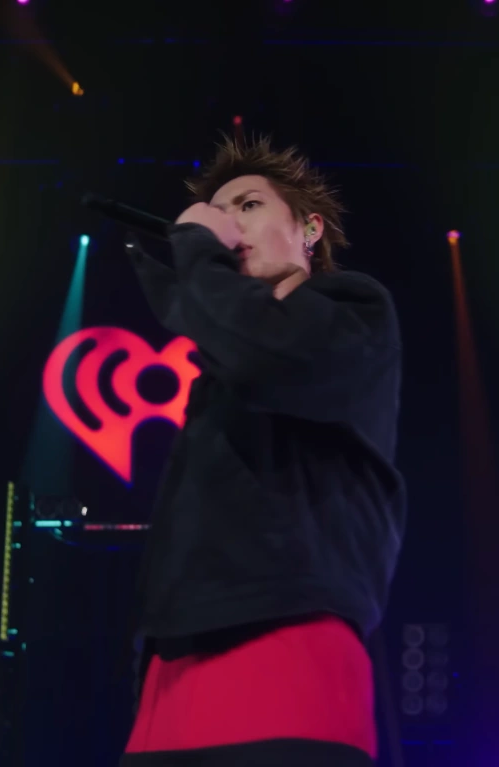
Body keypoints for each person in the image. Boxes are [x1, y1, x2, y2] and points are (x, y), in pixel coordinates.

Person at [119, 136, 407, 767]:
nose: (227, 226)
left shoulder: (351, 308)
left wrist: (198, 249)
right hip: (173, 664)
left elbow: (265, 351)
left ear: (310, 229)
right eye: (217, 214)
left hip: (286, 637)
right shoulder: (223, 364)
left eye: (248, 206)